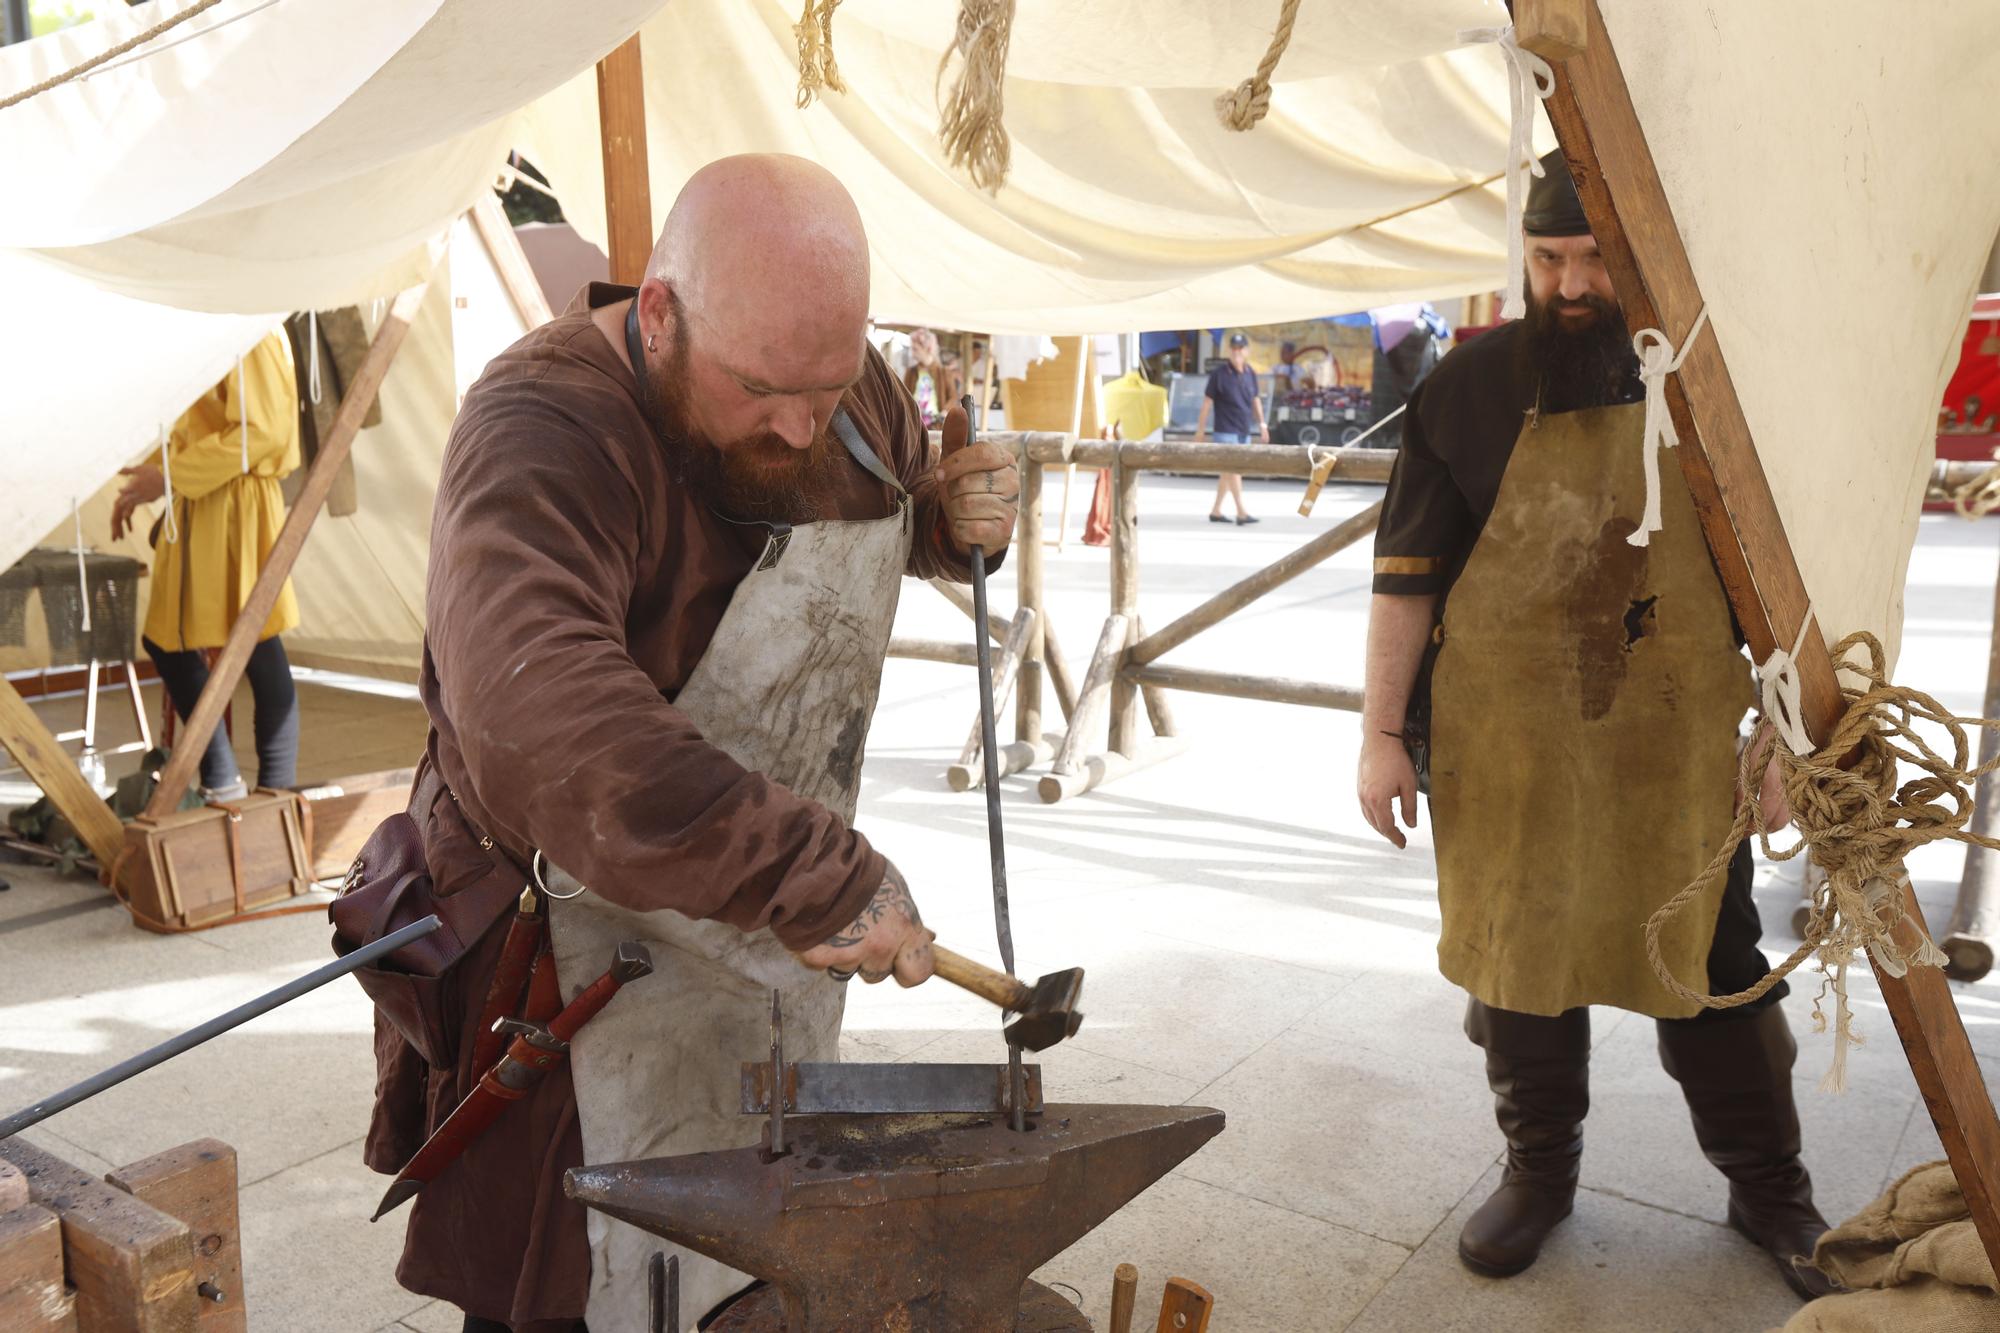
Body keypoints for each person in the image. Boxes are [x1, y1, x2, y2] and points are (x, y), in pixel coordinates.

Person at [371, 154, 1018, 1332]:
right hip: (570, 934)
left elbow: (857, 510)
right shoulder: (541, 424)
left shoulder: (838, 384)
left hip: (763, 918)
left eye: (829, 389)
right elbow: (543, 722)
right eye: (767, 390)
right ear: (658, 315)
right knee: (563, 1287)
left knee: (732, 1260)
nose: (803, 424)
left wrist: (946, 521)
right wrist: (813, 874)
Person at [1353, 150, 1833, 1300]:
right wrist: (1377, 732)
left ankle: (1769, 1188)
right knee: (1518, 963)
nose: (1569, 285)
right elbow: (1405, 578)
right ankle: (1537, 1174)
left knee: (1712, 968)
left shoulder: (1720, 388)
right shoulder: (1461, 392)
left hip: (1670, 746)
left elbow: (1789, 590)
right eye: (1546, 259)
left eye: (1590, 259)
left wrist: (1784, 741)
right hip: (1501, 742)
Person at [110, 330, 302, 799]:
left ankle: (272, 796)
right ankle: (226, 780)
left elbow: (264, 432)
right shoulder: (215, 325)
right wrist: (153, 477)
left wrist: (170, 476)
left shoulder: (250, 331)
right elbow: (194, 430)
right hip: (202, 501)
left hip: (236, 507)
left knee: (254, 639)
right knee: (171, 640)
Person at [1195, 332, 1268, 525]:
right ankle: (1241, 512)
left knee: (1229, 472)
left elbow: (1256, 400)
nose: (1237, 352)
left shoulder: (1250, 373)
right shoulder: (1219, 375)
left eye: (1240, 348)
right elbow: (1206, 404)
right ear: (1229, 351)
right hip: (1225, 430)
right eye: (1233, 348)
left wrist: (1262, 424)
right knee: (1233, 470)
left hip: (1243, 429)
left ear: (1246, 350)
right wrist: (1200, 430)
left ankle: (1216, 510)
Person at [902, 326, 961, 428]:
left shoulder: (944, 372)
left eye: (916, 349)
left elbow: (954, 397)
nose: (912, 353)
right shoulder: (910, 372)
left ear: (928, 348)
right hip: (914, 425)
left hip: (936, 425)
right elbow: (903, 395)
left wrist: (944, 412)